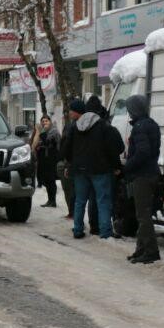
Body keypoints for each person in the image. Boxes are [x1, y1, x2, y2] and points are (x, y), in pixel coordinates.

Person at [61, 98, 123, 239]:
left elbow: (66, 148)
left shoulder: (74, 127)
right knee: (103, 201)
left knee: (80, 201)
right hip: (100, 170)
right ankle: (105, 232)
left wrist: (70, 163)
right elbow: (113, 148)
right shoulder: (104, 126)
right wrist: (116, 166)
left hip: (79, 170)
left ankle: (77, 229)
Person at [123, 94, 162, 264]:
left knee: (143, 215)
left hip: (143, 176)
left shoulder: (139, 127)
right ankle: (141, 249)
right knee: (143, 213)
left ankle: (151, 251)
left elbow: (143, 152)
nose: (129, 112)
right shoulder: (151, 124)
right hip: (151, 173)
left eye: (129, 109)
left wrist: (128, 166)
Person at [32, 114, 60, 207]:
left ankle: (53, 201)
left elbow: (47, 141)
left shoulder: (54, 131)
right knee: (47, 180)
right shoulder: (43, 131)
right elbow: (35, 143)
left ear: (50, 121)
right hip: (44, 159)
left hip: (52, 159)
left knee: (51, 180)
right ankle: (50, 200)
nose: (44, 123)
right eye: (43, 121)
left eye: (46, 121)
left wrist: (41, 132)